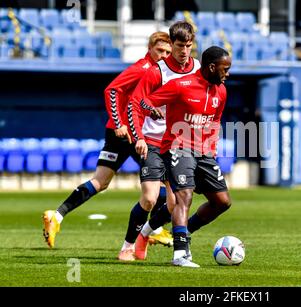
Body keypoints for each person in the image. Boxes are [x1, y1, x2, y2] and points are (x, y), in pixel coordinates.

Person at [42, 32, 172, 249]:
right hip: (128, 133)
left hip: (118, 133)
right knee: (162, 183)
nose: (164, 55)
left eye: (168, 52)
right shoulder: (143, 69)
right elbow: (112, 90)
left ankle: (57, 216)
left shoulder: (158, 72)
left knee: (100, 181)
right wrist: (119, 121)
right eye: (160, 51)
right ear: (150, 49)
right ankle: (153, 230)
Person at [139, 46, 232, 267]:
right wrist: (151, 109)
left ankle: (183, 231)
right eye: (225, 69)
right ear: (211, 67)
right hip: (177, 147)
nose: (227, 74)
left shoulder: (221, 91)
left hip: (205, 152)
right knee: (184, 197)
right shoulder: (181, 86)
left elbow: (215, 121)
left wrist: (212, 148)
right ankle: (180, 255)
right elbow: (145, 100)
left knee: (222, 202)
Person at [117, 21, 201, 261]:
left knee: (176, 204)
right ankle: (127, 246)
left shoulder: (198, 69)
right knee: (150, 198)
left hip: (179, 143)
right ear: (172, 44)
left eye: (188, 45)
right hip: (153, 142)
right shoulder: (157, 71)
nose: (184, 51)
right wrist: (139, 137)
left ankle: (145, 233)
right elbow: (135, 102)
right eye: (179, 46)